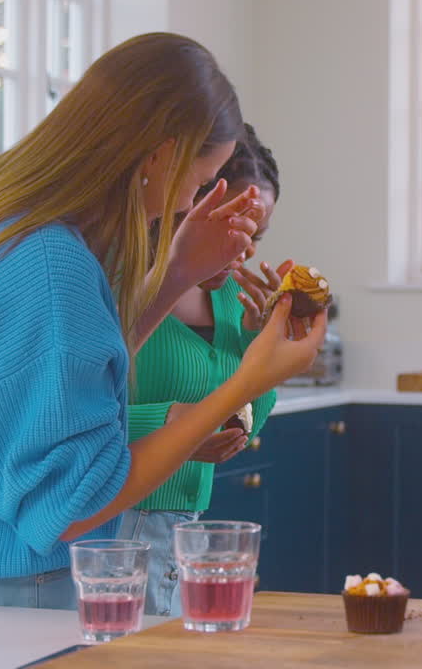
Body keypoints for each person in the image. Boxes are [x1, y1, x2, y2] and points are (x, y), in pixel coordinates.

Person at [0, 33, 326, 608]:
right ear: (160, 153)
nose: (189, 202)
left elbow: (63, 391)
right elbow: (74, 502)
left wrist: (179, 273)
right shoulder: (51, 265)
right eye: (198, 180)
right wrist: (245, 383)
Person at [118, 123, 289, 616]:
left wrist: (263, 347)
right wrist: (174, 423)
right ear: (186, 204)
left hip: (183, 532)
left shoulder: (230, 298)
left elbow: (247, 413)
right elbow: (67, 422)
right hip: (112, 529)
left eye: (256, 235)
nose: (245, 251)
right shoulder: (117, 282)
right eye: (232, 228)